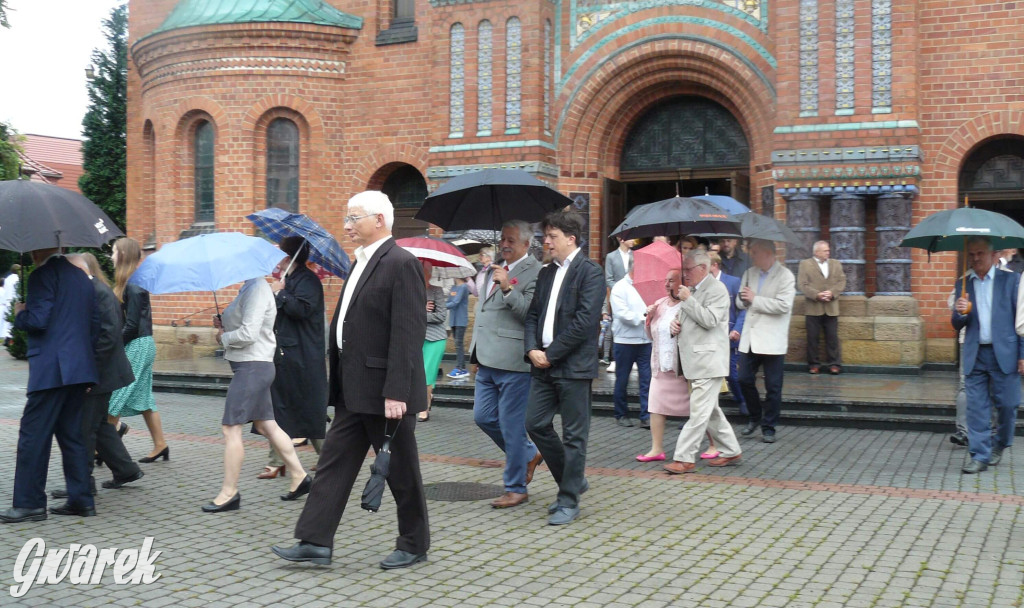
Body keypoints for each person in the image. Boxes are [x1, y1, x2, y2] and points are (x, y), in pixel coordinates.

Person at [272, 190, 430, 569]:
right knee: (332, 466)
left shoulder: (400, 263)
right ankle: (314, 541)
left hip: (385, 391)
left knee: (402, 472)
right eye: (346, 218)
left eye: (353, 218)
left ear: (379, 219)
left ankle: (414, 543)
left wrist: (396, 391)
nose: (346, 226)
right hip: (353, 388)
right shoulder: (359, 262)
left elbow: (408, 332)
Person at [0, 249, 97, 523]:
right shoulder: (82, 277)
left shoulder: (42, 275)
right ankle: (81, 500)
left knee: (32, 436)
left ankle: (29, 503)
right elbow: (94, 326)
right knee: (72, 437)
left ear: (38, 249)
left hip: (52, 371)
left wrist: (20, 314)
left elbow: (38, 320)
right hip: (78, 369)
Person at [524, 210, 605, 526]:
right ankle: (573, 479)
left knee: (574, 435)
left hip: (573, 366)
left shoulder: (591, 272)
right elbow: (533, 315)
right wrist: (532, 348)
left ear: (571, 239)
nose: (546, 242)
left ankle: (568, 500)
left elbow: (585, 322)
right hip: (542, 365)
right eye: (546, 236)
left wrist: (551, 353)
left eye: (552, 237)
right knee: (535, 423)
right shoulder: (546, 273)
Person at [206, 276, 310, 511]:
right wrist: (224, 325)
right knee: (267, 426)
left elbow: (249, 334)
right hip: (253, 366)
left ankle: (229, 492)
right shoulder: (249, 287)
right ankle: (300, 476)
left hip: (252, 367)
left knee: (230, 428)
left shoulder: (256, 289)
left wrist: (224, 337)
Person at [52, 254, 143, 497]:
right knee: (100, 426)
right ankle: (126, 470)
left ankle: (82, 485)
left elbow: (106, 338)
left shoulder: (96, 292)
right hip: (102, 372)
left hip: (99, 374)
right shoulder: (92, 290)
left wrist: (88, 374)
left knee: (83, 430)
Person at [470, 220, 544, 508]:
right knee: (483, 417)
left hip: (514, 361)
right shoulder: (493, 268)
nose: (505, 244)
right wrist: (475, 353)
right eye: (503, 239)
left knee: (511, 426)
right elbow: (486, 312)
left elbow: (530, 313)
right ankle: (528, 453)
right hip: (487, 359)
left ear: (526, 244)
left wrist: (507, 288)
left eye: (512, 240)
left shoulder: (536, 272)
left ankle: (515, 488)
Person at [663, 250, 743, 473]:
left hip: (708, 361)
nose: (685, 274)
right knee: (711, 412)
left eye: (688, 269)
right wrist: (675, 326)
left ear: (703, 268)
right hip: (696, 361)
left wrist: (687, 300)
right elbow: (688, 319)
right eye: (684, 269)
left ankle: (684, 458)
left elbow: (710, 320)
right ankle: (731, 450)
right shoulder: (693, 290)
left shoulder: (716, 290)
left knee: (699, 413)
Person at [259, 236, 328, 479]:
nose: (276, 262)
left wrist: (281, 295)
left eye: (280, 256)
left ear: (289, 258)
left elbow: (302, 310)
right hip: (285, 352)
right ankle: (277, 461)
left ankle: (328, 458)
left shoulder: (308, 281)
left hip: (303, 354)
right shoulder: (288, 280)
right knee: (281, 406)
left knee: (308, 407)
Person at [954, 237, 1023, 474]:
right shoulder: (963, 284)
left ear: (992, 255)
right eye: (971, 254)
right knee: (976, 407)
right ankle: (979, 455)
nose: (975, 258)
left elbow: (1021, 320)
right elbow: (956, 323)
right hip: (976, 353)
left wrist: (1022, 354)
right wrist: (961, 313)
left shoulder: (1012, 281)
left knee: (1008, 404)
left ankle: (1001, 442)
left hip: (1005, 352)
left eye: (980, 253)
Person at [108, 237, 168, 463]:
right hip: (143, 342)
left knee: (115, 398)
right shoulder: (132, 283)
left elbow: (131, 325)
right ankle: (160, 444)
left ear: (122, 255)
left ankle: (104, 449)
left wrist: (114, 345)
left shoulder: (133, 285)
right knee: (144, 399)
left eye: (114, 252)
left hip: (138, 344)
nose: (111, 256)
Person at [736, 239, 795, 443]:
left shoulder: (785, 276)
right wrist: (743, 299)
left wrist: (755, 300)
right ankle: (755, 417)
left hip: (772, 339)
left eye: (755, 252)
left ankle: (769, 427)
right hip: (750, 338)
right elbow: (739, 301)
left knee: (773, 386)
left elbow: (783, 306)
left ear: (768, 253)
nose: (752, 256)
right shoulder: (749, 273)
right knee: (743, 378)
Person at [637, 269, 689, 462]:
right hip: (661, 364)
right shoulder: (659, 304)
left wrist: (680, 329)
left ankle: (714, 443)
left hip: (682, 368)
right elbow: (651, 335)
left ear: (682, 283)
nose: (667, 284)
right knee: (656, 405)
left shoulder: (688, 304)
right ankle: (656, 449)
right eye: (665, 280)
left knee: (699, 409)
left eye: (672, 281)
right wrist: (649, 318)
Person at [609, 261, 652, 428]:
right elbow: (622, 314)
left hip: (645, 340)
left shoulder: (646, 286)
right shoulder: (619, 287)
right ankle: (621, 414)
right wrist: (644, 317)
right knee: (622, 379)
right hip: (624, 341)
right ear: (634, 270)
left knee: (647, 380)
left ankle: (646, 415)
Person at [797, 241, 847, 374]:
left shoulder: (836, 264)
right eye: (825, 250)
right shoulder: (805, 264)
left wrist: (832, 293)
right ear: (816, 252)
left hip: (831, 307)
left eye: (828, 250)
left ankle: (834, 364)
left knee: (832, 338)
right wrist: (816, 295)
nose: (828, 252)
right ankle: (814, 364)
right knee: (812, 338)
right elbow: (802, 284)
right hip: (813, 307)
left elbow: (842, 281)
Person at [709, 252, 746, 416]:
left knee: (732, 373)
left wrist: (737, 329)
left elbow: (743, 310)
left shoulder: (733, 282)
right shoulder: (701, 285)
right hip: (709, 337)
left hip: (729, 336)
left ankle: (742, 400)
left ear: (714, 265)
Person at [420, 260, 448, 421]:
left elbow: (441, 316)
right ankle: (427, 398)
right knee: (419, 374)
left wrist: (422, 314)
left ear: (429, 274)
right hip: (416, 338)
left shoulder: (436, 291)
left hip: (435, 338)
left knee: (426, 373)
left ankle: (424, 409)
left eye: (423, 272)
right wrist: (420, 309)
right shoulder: (410, 291)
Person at [603, 236, 634, 372]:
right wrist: (620, 290)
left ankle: (633, 359)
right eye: (631, 237)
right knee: (617, 326)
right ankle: (616, 359)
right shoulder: (611, 257)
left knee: (634, 324)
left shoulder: (636, 255)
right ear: (621, 239)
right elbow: (608, 278)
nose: (634, 240)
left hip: (634, 295)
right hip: (617, 295)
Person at [446, 276, 471, 379]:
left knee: (458, 344)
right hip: (453, 319)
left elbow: (455, 302)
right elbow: (450, 300)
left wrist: (441, 305)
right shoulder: (453, 287)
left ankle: (460, 368)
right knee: (457, 344)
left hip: (461, 319)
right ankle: (462, 367)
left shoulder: (464, 287)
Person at [0, 263, 20, 345]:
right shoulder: (17, 279)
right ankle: (10, 338)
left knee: (7, 321)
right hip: (14, 300)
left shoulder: (7, 279)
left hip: (7, 301)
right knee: (13, 320)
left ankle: (7, 337)